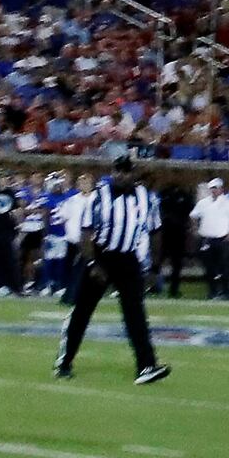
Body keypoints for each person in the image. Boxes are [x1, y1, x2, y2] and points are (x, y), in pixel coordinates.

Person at [52, 147, 168, 385]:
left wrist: (154, 267)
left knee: (135, 314)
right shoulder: (98, 196)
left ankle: (146, 366)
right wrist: (93, 263)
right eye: (118, 171)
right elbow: (86, 234)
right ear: (112, 171)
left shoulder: (147, 198)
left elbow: (156, 232)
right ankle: (64, 361)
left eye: (126, 171)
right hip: (101, 256)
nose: (122, 176)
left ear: (133, 174)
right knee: (82, 312)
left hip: (128, 259)